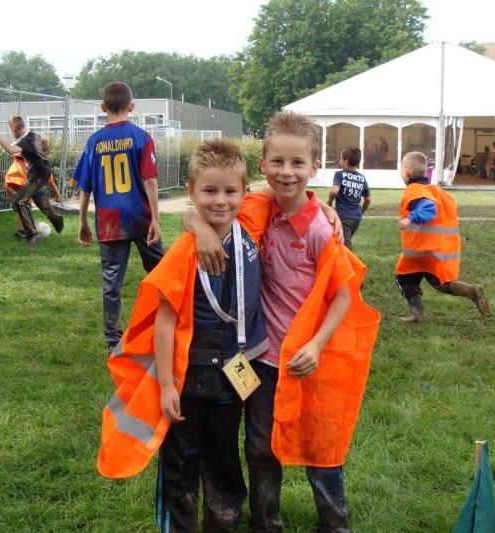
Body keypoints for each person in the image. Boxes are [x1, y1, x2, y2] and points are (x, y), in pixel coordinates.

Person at [186, 110, 380, 532]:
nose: (287, 172)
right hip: (260, 359)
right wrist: (199, 228)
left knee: (319, 447)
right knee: (259, 446)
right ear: (264, 164)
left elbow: (344, 294)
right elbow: (202, 208)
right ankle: (265, 523)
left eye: (297, 163)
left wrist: (316, 345)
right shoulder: (257, 208)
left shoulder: (320, 230)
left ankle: (334, 523)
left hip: (310, 360)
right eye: (278, 162)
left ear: (314, 167)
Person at [97, 139, 269, 533]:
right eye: (209, 191)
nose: (221, 201)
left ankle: (222, 522)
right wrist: (168, 386)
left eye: (230, 191)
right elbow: (165, 320)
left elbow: (291, 193)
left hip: (236, 368)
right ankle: (177, 525)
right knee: (181, 457)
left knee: (223, 452)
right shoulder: (183, 253)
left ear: (246, 191)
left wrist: (326, 208)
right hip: (189, 371)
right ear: (192, 192)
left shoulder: (253, 224)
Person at [73, 81, 164, 353]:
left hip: (109, 220)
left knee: (111, 280)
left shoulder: (94, 141)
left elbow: (85, 186)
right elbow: (149, 180)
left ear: (102, 107)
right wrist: (156, 219)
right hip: (140, 216)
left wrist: (82, 221)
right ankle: (173, 320)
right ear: (131, 107)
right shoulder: (141, 136)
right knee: (162, 270)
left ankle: (112, 338)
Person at [396, 151, 489, 324]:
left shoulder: (414, 191)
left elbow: (429, 209)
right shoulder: (433, 190)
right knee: (439, 283)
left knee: (404, 279)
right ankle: (470, 290)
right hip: (434, 250)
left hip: (419, 251)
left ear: (407, 173)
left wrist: (410, 219)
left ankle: (417, 315)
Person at [0, 116, 64, 245]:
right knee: (37, 195)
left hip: (39, 173)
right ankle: (54, 217)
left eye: (11, 131)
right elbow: (28, 150)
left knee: (20, 201)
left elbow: (12, 150)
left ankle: (32, 234)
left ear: (13, 129)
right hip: (37, 172)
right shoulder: (33, 135)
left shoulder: (26, 142)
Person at [4, 138, 64, 238]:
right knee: (23, 204)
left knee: (23, 204)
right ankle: (25, 229)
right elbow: (51, 181)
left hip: (21, 185)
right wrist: (58, 197)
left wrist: (58, 196)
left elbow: (50, 181)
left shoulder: (35, 161)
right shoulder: (32, 159)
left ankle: (24, 231)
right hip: (16, 184)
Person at [327, 145, 371, 250]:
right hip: (356, 217)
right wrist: (361, 211)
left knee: (345, 245)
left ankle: (348, 265)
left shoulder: (340, 174)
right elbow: (368, 199)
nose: (340, 160)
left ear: (346, 161)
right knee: (341, 241)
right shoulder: (361, 178)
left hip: (344, 216)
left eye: (341, 158)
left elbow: (334, 191)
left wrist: (329, 202)